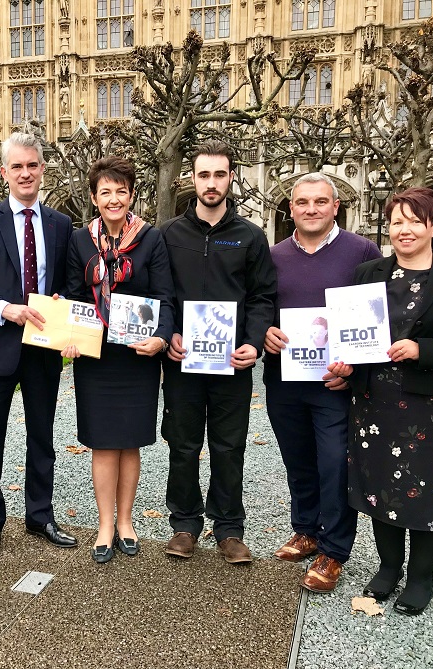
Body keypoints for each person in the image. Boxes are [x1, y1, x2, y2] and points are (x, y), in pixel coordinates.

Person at [329, 187, 433, 615]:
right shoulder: (368, 274)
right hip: (375, 403)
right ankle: (388, 569)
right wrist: (345, 368)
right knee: (380, 486)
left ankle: (420, 577)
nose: (405, 229)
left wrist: (423, 350)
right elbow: (354, 339)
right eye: (397, 221)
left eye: (416, 221)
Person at [0, 132, 75, 563]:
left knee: (42, 437)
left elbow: (68, 285)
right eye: (17, 166)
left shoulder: (61, 224)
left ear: (43, 169)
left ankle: (40, 516)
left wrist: (63, 306)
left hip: (43, 347)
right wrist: (6, 309)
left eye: (33, 165)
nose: (26, 173)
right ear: (4, 172)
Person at [158, 140, 276, 565]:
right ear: (192, 178)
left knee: (229, 446)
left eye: (219, 174)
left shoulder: (250, 236)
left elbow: (263, 296)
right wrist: (167, 333)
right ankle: (185, 524)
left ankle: (228, 528)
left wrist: (254, 341)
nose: (211, 183)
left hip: (233, 364)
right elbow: (162, 293)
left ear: (231, 177)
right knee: (183, 444)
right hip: (183, 362)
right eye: (203, 174)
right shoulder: (169, 235)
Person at [263, 173, 380, 593]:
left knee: (334, 463)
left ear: (336, 206)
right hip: (284, 380)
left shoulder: (362, 251)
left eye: (320, 202)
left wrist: (355, 367)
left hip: (334, 384)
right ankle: (306, 529)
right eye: (302, 202)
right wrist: (264, 333)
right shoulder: (272, 255)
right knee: (298, 461)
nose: (310, 209)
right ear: (290, 208)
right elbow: (259, 308)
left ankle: (334, 550)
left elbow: (373, 317)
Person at [62, 157, 175, 563]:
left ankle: (126, 521)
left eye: (121, 191)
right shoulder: (79, 241)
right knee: (103, 443)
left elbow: (165, 295)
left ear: (131, 195)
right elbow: (73, 294)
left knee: (130, 443)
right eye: (105, 192)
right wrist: (69, 336)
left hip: (137, 355)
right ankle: (104, 524)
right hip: (95, 357)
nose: (114, 199)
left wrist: (161, 339)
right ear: (94, 197)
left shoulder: (151, 239)